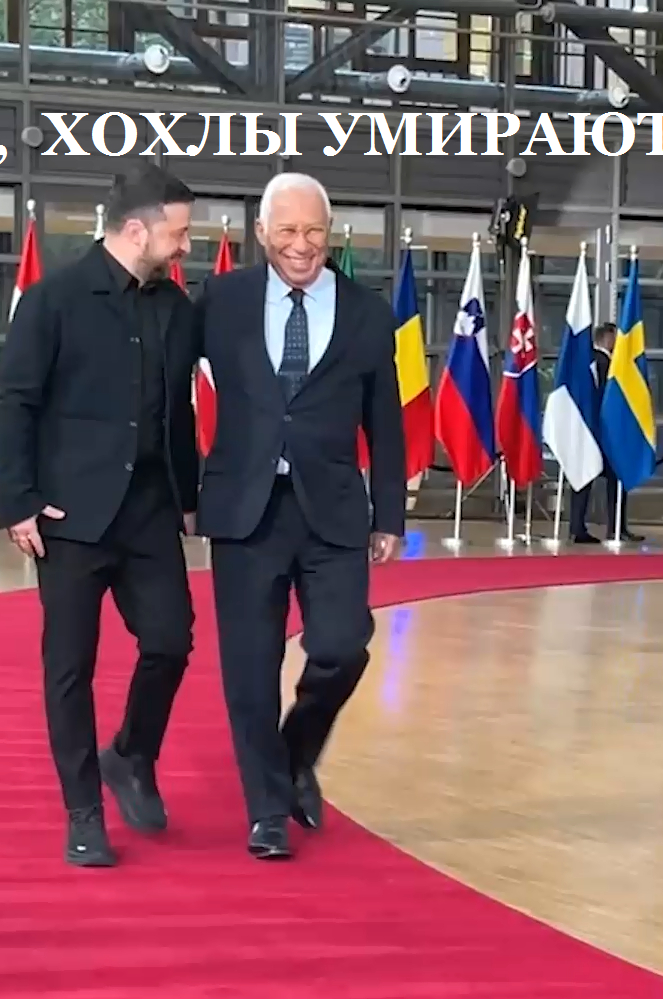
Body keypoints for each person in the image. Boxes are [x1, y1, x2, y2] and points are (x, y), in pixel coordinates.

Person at [0, 164, 201, 868]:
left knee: (171, 641)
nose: (186, 247)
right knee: (70, 667)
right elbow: (14, 401)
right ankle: (83, 813)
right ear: (136, 230)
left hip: (150, 513)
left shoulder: (175, 308)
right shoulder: (52, 300)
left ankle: (131, 754)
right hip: (69, 517)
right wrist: (18, 500)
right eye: (178, 234)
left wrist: (190, 495)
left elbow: (180, 410)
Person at [194, 173, 407, 860]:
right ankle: (266, 811)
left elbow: (386, 421)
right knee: (250, 668)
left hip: (334, 511)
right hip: (244, 509)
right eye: (287, 230)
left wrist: (390, 514)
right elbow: (165, 389)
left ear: (330, 232)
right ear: (261, 233)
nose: (301, 244)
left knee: (343, 645)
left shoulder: (367, 312)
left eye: (314, 230)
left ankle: (293, 755)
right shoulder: (221, 300)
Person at [570, 321, 644, 544]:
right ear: (607, 338)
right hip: (603, 432)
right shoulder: (604, 363)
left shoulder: (586, 360)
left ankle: (578, 526)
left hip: (587, 430)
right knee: (616, 477)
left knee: (584, 479)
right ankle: (616, 527)